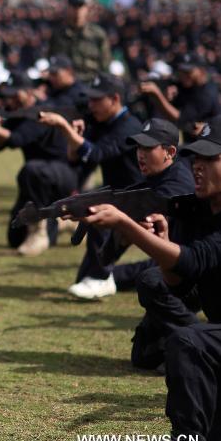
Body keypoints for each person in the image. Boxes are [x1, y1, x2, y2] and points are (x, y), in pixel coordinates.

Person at [76, 114, 221, 441]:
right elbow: (179, 281)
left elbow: (193, 260)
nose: (199, 167)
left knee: (189, 343)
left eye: (212, 158)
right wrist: (162, 243)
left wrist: (128, 228)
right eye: (197, 158)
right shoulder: (201, 211)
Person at [39, 73, 145, 296]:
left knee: (100, 218)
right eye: (91, 99)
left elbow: (95, 154)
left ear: (115, 99)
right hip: (117, 195)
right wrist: (74, 136)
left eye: (97, 99)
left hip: (141, 197)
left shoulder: (128, 126)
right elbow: (75, 159)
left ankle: (100, 277)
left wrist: (63, 127)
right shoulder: (103, 122)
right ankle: (97, 277)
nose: (91, 105)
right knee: (84, 276)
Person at [68, 118, 195, 299]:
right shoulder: (157, 176)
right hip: (171, 256)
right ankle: (99, 277)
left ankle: (99, 277)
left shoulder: (178, 183)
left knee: (149, 277)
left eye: (148, 148)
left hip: (194, 262)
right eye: (139, 147)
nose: (140, 154)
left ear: (170, 152)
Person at [0, 72, 78, 257]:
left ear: (29, 92)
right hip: (36, 179)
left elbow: (15, 139)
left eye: (15, 94)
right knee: (15, 237)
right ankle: (64, 223)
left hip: (60, 174)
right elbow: (0, 145)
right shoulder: (18, 114)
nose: (11, 99)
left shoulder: (41, 112)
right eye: (8, 95)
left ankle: (40, 232)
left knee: (31, 169)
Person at [139, 53, 221, 142]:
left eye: (188, 72)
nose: (183, 75)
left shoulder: (207, 94)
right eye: (182, 71)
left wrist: (158, 95)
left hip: (210, 144)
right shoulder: (188, 86)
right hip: (194, 142)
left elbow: (180, 118)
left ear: (202, 71)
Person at [47, 0, 111, 82]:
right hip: (65, 87)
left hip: (90, 86)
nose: (77, 11)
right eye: (73, 7)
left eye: (80, 6)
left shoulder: (97, 35)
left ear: (86, 9)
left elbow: (105, 66)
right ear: (67, 8)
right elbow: (52, 60)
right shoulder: (58, 34)